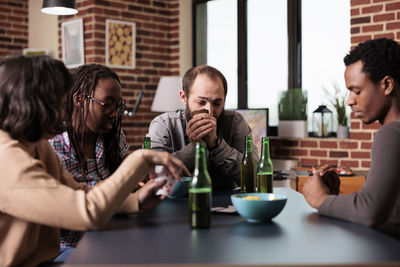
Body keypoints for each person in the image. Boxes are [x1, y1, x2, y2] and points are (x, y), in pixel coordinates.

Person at [0, 55, 189, 267]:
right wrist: (140, 158)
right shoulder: (5, 159)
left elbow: (80, 194)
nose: (65, 110)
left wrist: (136, 201)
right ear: (31, 102)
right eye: (59, 101)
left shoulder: (38, 145)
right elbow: (88, 213)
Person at [303, 38, 400, 238]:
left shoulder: (391, 133)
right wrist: (333, 199)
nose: (349, 101)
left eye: (356, 91)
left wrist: (320, 199)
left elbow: (369, 211)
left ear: (387, 85)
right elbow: (388, 213)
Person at [48, 64, 129, 251]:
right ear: (79, 99)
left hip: (114, 237)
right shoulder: (51, 144)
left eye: (117, 106)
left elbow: (127, 189)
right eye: (107, 103)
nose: (114, 113)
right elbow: (64, 208)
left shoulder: (114, 138)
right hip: (68, 248)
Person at [147, 65, 258, 190]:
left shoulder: (235, 123)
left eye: (217, 103)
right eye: (201, 102)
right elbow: (154, 177)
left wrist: (216, 145)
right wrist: (195, 147)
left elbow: (255, 179)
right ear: (184, 97)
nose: (209, 111)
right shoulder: (164, 125)